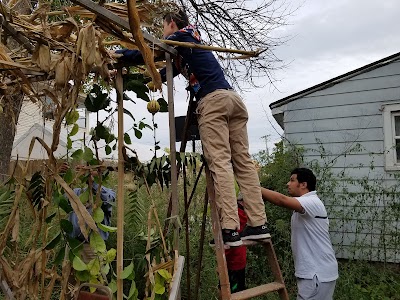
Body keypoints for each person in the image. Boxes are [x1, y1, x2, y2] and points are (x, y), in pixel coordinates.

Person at [114, 10, 269, 246]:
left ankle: (230, 229)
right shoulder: (189, 49)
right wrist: (149, 80)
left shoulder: (183, 38)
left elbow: (150, 52)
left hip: (214, 103)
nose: (163, 33)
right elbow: (166, 72)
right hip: (233, 100)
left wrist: (121, 54)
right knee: (243, 163)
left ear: (172, 24)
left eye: (164, 27)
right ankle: (259, 224)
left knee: (220, 162)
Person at [260, 168, 338, 300]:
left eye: (292, 180)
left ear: (303, 184)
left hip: (316, 274)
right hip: (319, 273)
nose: (287, 184)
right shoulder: (308, 204)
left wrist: (254, 187)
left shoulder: (312, 202)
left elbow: (282, 200)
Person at [211, 193, 248, 293]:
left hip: (232, 261)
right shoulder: (244, 215)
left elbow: (228, 241)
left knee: (230, 290)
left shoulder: (237, 215)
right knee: (238, 289)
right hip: (238, 259)